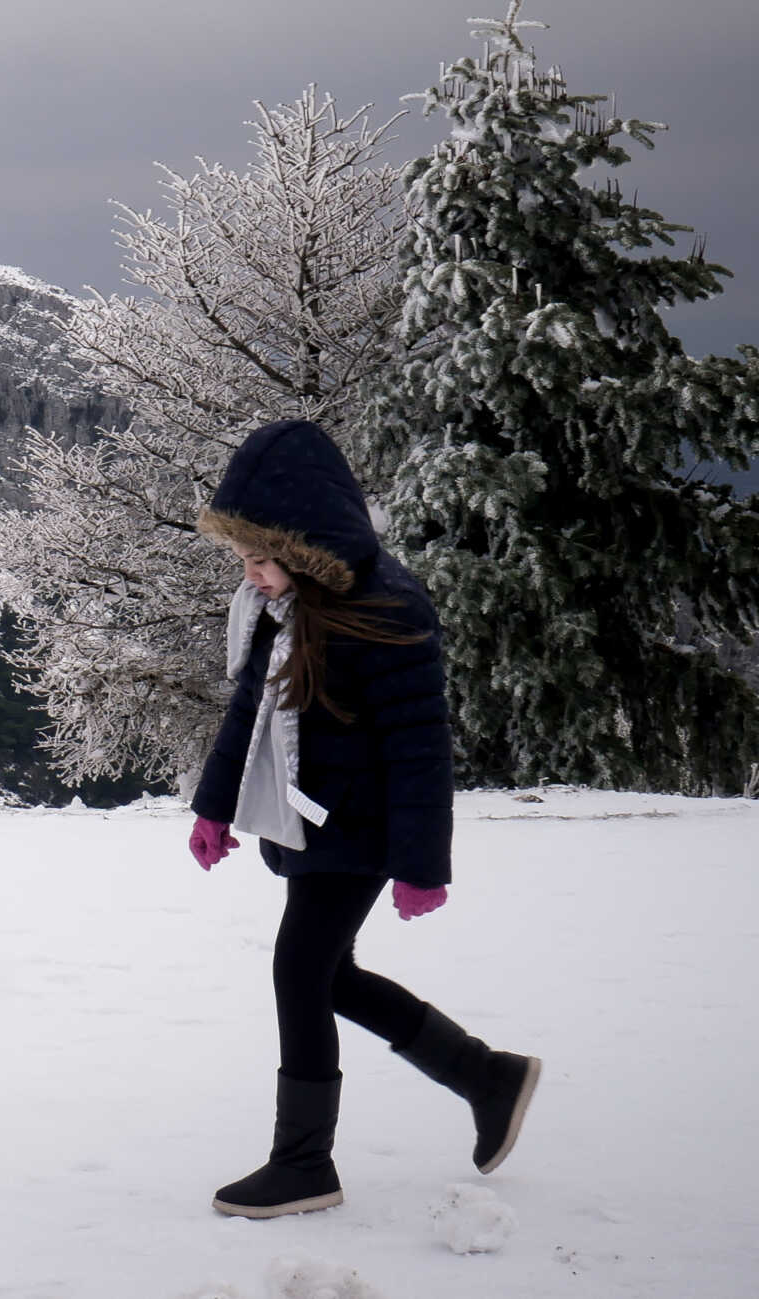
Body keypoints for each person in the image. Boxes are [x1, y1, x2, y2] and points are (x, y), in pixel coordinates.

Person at [187, 419, 539, 1219]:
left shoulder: (388, 610)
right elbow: (252, 705)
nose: (249, 573)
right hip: (311, 824)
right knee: (327, 973)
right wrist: (214, 807)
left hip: (363, 831)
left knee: (299, 970)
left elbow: (421, 748)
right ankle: (488, 1076)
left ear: (307, 542)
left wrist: (422, 861)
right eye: (241, 556)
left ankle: (304, 1163)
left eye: (259, 556)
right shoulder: (284, 604)